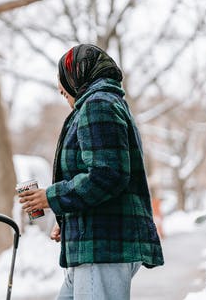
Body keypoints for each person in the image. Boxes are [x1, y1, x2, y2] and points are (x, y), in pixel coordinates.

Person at [18, 44, 164, 300]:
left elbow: (107, 175)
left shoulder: (98, 104)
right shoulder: (105, 102)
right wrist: (70, 219)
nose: (64, 96)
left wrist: (50, 197)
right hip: (94, 244)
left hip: (103, 248)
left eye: (65, 92)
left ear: (78, 77)